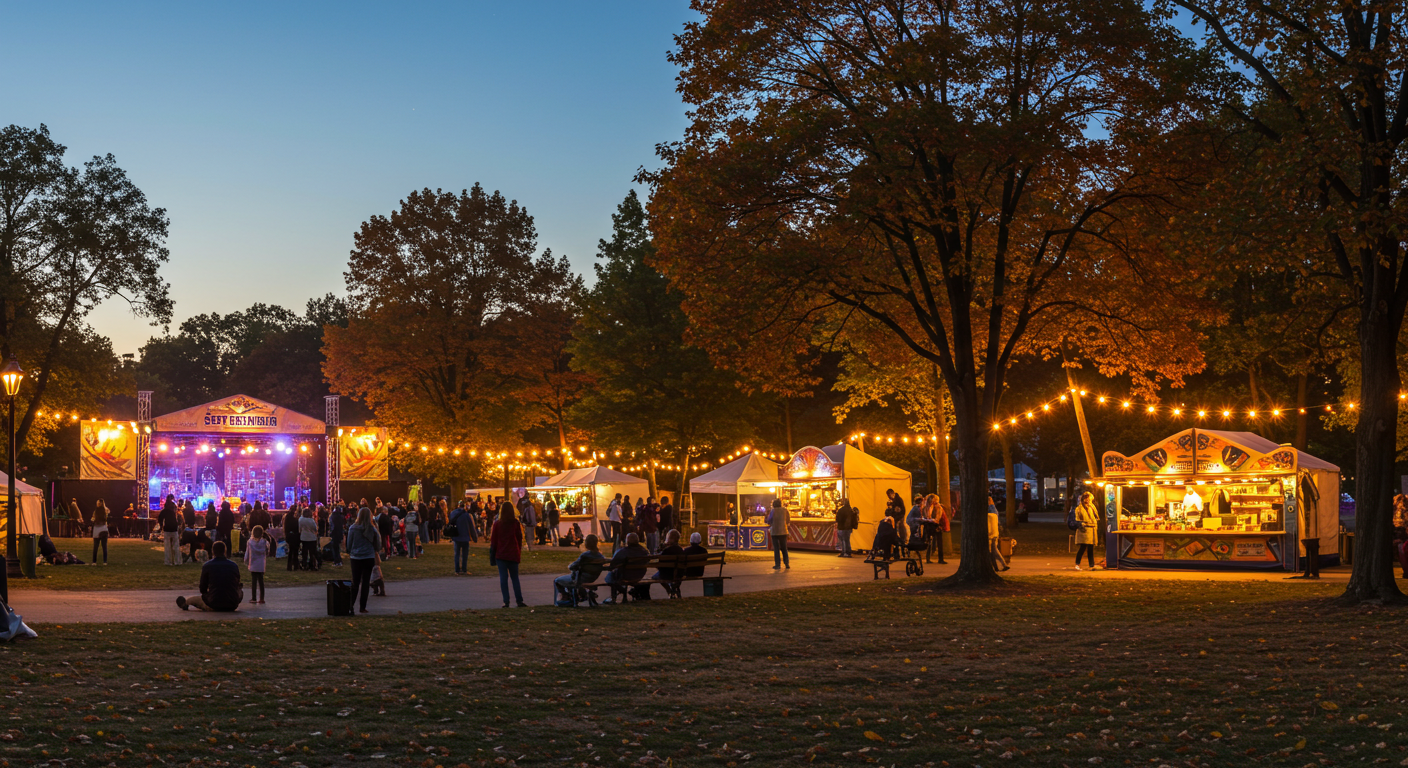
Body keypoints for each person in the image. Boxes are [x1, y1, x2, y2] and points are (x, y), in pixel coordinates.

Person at [176, 541, 243, 612]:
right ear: (225, 551)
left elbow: (202, 588)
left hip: (214, 604)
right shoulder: (234, 565)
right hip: (232, 604)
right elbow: (237, 584)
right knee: (241, 592)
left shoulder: (207, 565)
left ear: (212, 551)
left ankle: (185, 603)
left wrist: (209, 594)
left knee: (193, 600)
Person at [490, 502, 527, 608]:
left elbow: (494, 540)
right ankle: (519, 600)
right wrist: (518, 551)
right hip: (513, 553)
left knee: (503, 578)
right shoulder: (515, 523)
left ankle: (506, 601)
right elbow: (519, 538)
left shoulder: (498, 524)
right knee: (515, 578)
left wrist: (493, 553)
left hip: (501, 554)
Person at [345, 506, 382, 613]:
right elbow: (378, 544)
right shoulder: (372, 529)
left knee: (355, 582)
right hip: (368, 557)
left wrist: (350, 551)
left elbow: (349, 543)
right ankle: (362, 607)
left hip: (356, 557)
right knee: (365, 582)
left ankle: (350, 605)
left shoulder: (353, 528)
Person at [554, 533, 606, 605]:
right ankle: (581, 595)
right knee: (570, 579)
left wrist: (571, 565)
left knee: (557, 581)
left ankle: (565, 597)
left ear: (586, 544)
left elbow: (572, 566)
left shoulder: (585, 555)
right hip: (593, 578)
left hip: (580, 578)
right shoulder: (600, 556)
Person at [603, 532, 650, 604]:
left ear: (627, 541)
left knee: (611, 575)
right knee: (615, 574)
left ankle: (615, 597)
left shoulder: (623, 551)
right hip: (639, 575)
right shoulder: (644, 551)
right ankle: (622, 594)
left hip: (625, 576)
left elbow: (613, 564)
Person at [1073, 491, 1100, 570]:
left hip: (1091, 529)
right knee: (1083, 547)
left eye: (1089, 499)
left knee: (1090, 548)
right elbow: (1077, 519)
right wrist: (1083, 524)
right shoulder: (1079, 509)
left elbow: (1096, 516)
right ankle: (1077, 564)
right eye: (1087, 498)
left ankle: (1091, 565)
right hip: (1084, 530)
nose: (1088, 500)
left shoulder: (1092, 507)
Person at [244, 525, 270, 604]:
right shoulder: (264, 542)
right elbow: (267, 551)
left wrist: (245, 560)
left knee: (254, 582)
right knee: (261, 582)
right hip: (261, 564)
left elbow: (247, 553)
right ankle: (262, 598)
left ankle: (254, 598)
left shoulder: (250, 542)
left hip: (253, 564)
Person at [449, 501, 474, 574]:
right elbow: (471, 526)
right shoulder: (466, 515)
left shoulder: (453, 513)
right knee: (464, 554)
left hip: (456, 535)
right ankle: (464, 569)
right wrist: (474, 536)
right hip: (465, 536)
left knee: (457, 554)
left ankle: (457, 570)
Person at [766, 498, 790, 569]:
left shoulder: (773, 511)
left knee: (776, 549)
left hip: (775, 531)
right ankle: (786, 563)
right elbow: (788, 520)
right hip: (783, 531)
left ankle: (778, 564)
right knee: (784, 548)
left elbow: (769, 520)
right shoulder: (785, 510)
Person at [987, 498, 1010, 571]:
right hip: (995, 534)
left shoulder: (989, 514)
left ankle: (997, 567)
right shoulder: (994, 513)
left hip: (991, 535)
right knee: (994, 551)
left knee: (992, 552)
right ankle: (1001, 566)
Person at [90, 500, 110, 565]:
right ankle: (105, 561)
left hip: (97, 528)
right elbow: (107, 513)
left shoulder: (96, 511)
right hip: (104, 528)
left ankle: (94, 561)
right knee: (104, 546)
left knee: (95, 546)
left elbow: (93, 519)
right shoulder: (105, 510)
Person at [283, 507, 302, 571]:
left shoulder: (287, 518)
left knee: (291, 551)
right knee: (295, 552)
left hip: (289, 536)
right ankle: (295, 565)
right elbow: (296, 527)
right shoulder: (295, 520)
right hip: (295, 536)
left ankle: (289, 566)